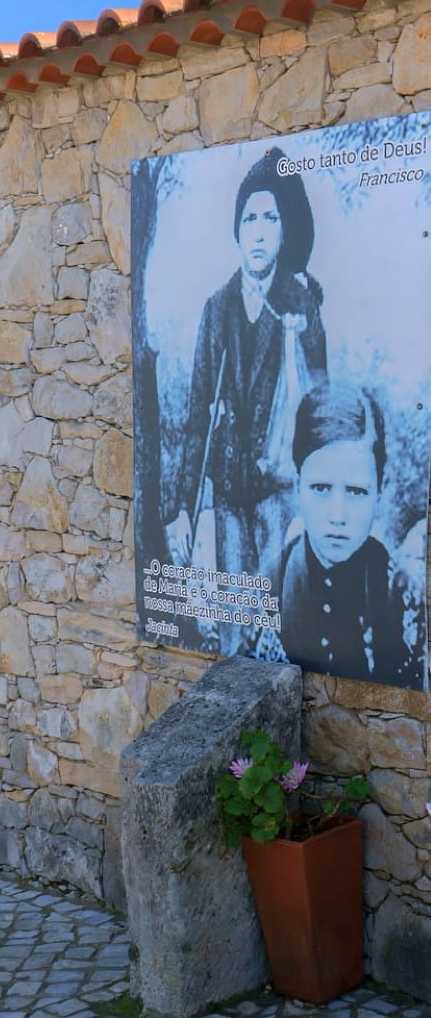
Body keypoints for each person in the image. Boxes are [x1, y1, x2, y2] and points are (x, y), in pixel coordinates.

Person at [166, 147, 328, 650]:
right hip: (232, 493)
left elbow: (321, 405)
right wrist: (182, 506)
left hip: (280, 494)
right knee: (238, 621)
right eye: (249, 218)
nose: (258, 230)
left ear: (283, 231)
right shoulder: (217, 309)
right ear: (237, 230)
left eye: (270, 218)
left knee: (280, 622)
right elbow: (197, 416)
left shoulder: (302, 303)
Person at [265, 387, 424, 688]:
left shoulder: (404, 596)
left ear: (380, 490)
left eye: (356, 491)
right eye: (321, 488)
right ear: (298, 486)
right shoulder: (268, 587)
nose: (338, 515)